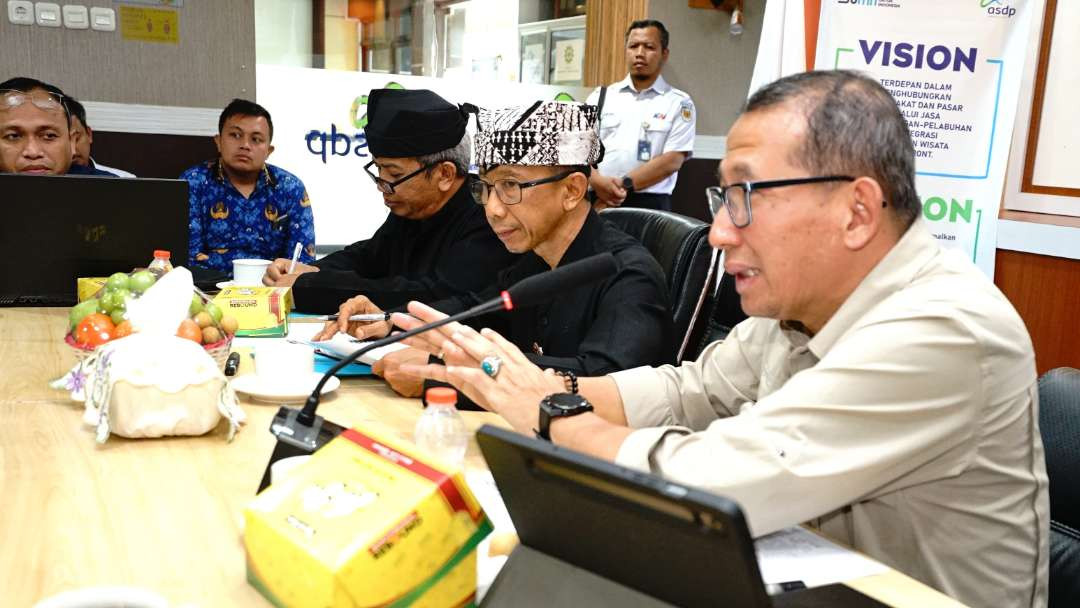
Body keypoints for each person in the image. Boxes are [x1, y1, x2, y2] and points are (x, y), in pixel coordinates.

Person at [395, 71, 1048, 608]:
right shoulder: (797, 303)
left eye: (745, 196)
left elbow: (711, 482)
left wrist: (551, 412)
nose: (718, 234)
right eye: (722, 196)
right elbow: (691, 391)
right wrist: (542, 387)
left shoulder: (941, 329)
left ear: (856, 211)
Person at [322, 100, 675, 400]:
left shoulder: (629, 276)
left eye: (510, 186)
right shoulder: (534, 263)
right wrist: (390, 323)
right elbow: (474, 311)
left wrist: (445, 375)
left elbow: (599, 382)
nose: (492, 208)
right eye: (486, 188)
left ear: (571, 191)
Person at [264, 88, 518, 314]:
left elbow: (432, 296)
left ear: (445, 174)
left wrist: (309, 287)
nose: (381, 185)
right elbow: (368, 257)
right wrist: (312, 270)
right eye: (378, 170)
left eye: (394, 174)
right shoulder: (411, 206)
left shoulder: (487, 215)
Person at [181, 98, 315, 274]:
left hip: (273, 290)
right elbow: (188, 259)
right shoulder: (193, 183)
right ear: (218, 141)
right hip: (210, 290)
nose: (245, 145)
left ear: (269, 150)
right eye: (235, 135)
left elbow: (302, 262)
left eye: (256, 139)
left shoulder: (290, 188)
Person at [586, 20, 695, 211]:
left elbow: (672, 160)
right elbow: (579, 148)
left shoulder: (678, 102)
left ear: (664, 54)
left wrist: (622, 186)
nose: (639, 53)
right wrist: (597, 183)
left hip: (650, 204)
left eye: (649, 47)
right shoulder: (601, 97)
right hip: (598, 199)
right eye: (633, 46)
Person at [0, 77, 113, 176]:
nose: (33, 152)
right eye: (13, 136)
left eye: (49, 135)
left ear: (72, 142)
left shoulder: (113, 190)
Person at [66, 97, 136, 178]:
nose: (73, 150)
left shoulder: (124, 179)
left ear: (89, 134)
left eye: (77, 138)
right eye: (66, 142)